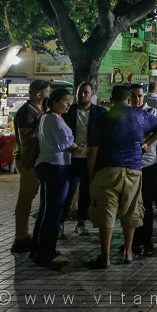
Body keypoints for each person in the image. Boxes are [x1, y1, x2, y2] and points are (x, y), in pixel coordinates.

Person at [86, 84, 157, 269]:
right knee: (131, 211)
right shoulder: (141, 115)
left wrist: (91, 175)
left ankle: (105, 257)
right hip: (134, 170)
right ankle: (128, 252)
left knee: (106, 212)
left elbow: (92, 152)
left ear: (112, 99)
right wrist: (146, 144)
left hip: (107, 170)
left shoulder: (103, 118)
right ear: (129, 98)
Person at [30, 88, 77, 269]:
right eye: (65, 101)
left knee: (46, 210)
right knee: (53, 212)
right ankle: (45, 253)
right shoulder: (53, 119)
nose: (68, 104)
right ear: (54, 102)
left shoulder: (47, 117)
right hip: (55, 166)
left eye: (69, 101)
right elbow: (64, 142)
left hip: (48, 165)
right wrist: (75, 145)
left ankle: (38, 249)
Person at [131, 84, 157, 255]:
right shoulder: (128, 112)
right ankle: (133, 240)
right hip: (130, 164)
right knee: (131, 204)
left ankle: (146, 241)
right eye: (134, 96)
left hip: (148, 164)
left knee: (146, 204)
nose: (137, 99)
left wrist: (147, 140)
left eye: (140, 96)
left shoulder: (152, 113)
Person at [62, 82, 108, 236]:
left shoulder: (101, 113)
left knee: (86, 192)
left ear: (92, 93)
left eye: (86, 92)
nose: (82, 95)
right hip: (71, 158)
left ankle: (81, 222)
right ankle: (60, 224)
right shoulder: (69, 112)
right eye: (80, 92)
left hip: (90, 159)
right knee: (68, 191)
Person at [11, 80, 51, 254]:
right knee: (25, 199)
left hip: (36, 159)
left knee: (29, 198)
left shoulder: (39, 110)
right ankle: (20, 237)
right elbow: (26, 139)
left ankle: (24, 235)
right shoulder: (26, 112)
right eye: (47, 91)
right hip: (28, 160)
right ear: (39, 94)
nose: (49, 94)